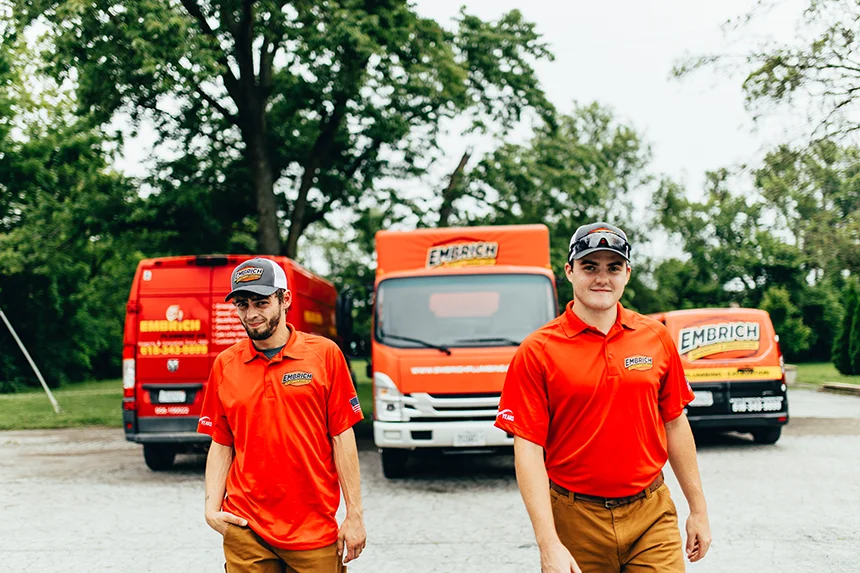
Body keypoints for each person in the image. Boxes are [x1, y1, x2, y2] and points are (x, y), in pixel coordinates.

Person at [495, 223, 711, 573]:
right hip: (575, 517)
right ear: (569, 271)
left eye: (613, 267)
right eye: (590, 266)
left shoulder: (656, 337)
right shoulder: (538, 350)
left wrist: (698, 510)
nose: (602, 278)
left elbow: (675, 422)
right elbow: (528, 449)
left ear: (627, 273)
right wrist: (548, 544)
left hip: (651, 513)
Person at [197, 257, 366, 573]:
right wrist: (210, 509)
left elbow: (343, 436)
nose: (251, 314)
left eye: (261, 302)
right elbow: (221, 442)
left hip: (313, 529)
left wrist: (354, 515)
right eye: (243, 305)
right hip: (246, 527)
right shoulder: (225, 364)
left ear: (284, 299)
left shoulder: (324, 355)